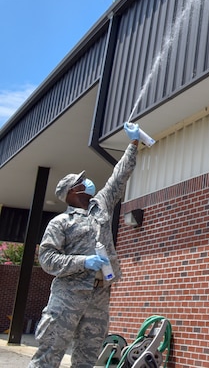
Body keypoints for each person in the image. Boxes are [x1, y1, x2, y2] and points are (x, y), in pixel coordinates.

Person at [29, 122, 146, 368]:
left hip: (99, 295)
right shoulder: (60, 222)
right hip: (67, 297)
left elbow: (119, 177)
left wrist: (133, 144)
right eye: (82, 182)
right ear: (72, 192)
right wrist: (83, 262)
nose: (88, 183)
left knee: (88, 358)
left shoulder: (101, 205)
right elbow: (47, 259)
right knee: (49, 354)